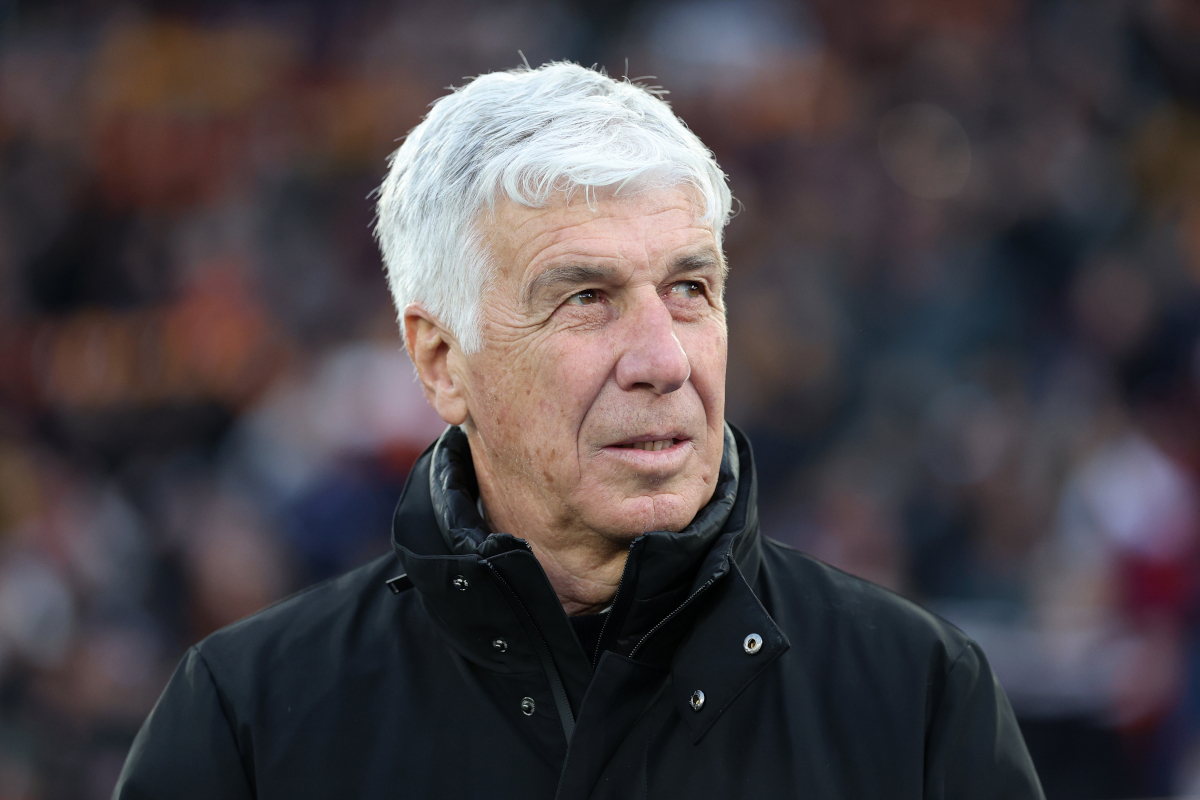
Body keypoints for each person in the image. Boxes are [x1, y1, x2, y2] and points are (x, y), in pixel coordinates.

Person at [113, 62, 1043, 799]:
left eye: (690, 289)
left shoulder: (918, 696)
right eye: (587, 298)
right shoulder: (245, 724)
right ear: (441, 362)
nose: (664, 359)